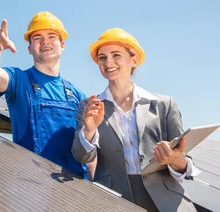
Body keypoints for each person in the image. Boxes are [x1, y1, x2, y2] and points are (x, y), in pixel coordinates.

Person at [71, 28, 200, 211]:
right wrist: (90, 130)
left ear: (134, 60)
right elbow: (81, 156)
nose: (108, 62)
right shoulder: (89, 107)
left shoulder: (164, 104)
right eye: (102, 57)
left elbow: (185, 164)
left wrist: (174, 158)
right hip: (113, 201)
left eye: (116, 55)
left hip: (165, 202)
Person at [0, 11, 91, 179]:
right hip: (32, 189)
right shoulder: (19, 81)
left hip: (73, 189)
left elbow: (87, 148)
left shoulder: (78, 95)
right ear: (30, 48)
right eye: (37, 38)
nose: (45, 42)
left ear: (63, 45)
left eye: (52, 36)